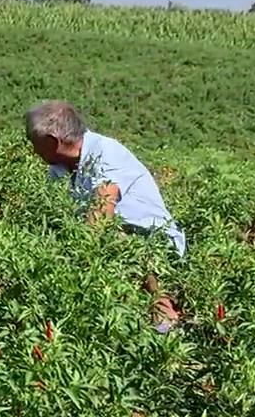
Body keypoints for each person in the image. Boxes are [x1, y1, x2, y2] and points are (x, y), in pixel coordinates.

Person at [23, 101, 185, 329]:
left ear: (51, 141)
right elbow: (52, 218)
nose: (33, 149)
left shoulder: (105, 153)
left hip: (151, 241)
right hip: (107, 243)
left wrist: (72, 264)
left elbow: (100, 215)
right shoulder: (58, 168)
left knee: (117, 236)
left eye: (34, 142)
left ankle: (164, 315)